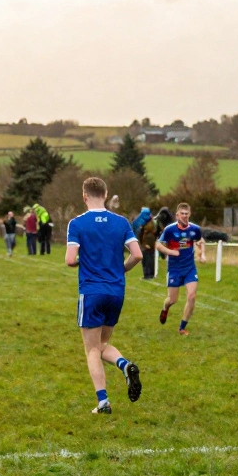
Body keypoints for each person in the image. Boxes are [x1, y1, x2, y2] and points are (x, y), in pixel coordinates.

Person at [64, 177, 143, 415]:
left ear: (84, 196)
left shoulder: (77, 223)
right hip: (116, 291)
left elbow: (69, 260)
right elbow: (137, 255)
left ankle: (103, 402)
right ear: (106, 194)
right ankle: (124, 364)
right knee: (102, 344)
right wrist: (121, 269)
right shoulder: (121, 222)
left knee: (92, 350)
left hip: (91, 291)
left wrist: (80, 261)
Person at [156, 203, 206, 335]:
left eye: (186, 213)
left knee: (191, 296)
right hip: (174, 269)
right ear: (177, 215)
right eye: (182, 213)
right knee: (172, 300)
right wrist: (171, 252)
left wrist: (202, 254)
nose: (184, 216)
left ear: (189, 214)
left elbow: (200, 241)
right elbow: (159, 245)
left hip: (190, 268)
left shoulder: (195, 229)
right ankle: (165, 308)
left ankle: (182, 327)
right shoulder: (170, 230)